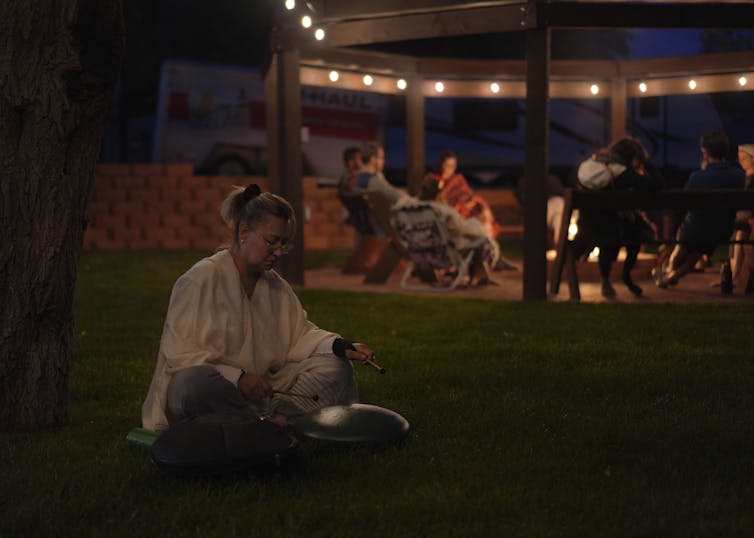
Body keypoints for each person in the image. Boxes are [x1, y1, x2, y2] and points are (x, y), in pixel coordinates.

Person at [141, 184, 375, 431]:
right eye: (271, 242)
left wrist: (341, 346)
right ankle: (268, 426)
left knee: (335, 366)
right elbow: (180, 355)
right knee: (192, 384)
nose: (278, 252)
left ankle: (270, 422)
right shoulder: (200, 280)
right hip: (219, 391)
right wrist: (238, 378)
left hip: (265, 393)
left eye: (283, 244)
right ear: (244, 232)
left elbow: (300, 336)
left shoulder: (276, 286)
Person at [653, 131, 746, 289]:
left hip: (693, 229)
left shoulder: (698, 177)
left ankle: (668, 271)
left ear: (705, 152)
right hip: (721, 229)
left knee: (683, 241)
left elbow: (685, 203)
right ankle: (671, 277)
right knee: (697, 252)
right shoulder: (739, 176)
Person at [573, 137, 663, 298]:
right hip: (611, 230)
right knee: (637, 231)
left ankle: (602, 274)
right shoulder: (623, 173)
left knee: (612, 229)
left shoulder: (587, 167)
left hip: (586, 228)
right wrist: (647, 161)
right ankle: (625, 276)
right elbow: (657, 184)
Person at [420, 150, 517, 271]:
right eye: (448, 165)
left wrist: (471, 204)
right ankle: (492, 259)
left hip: (461, 217)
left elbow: (465, 196)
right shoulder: (433, 181)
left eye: (453, 166)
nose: (451, 169)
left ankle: (491, 259)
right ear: (441, 165)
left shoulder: (456, 181)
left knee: (483, 217)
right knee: (480, 229)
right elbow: (436, 203)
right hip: (450, 225)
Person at [728, 143, 754, 290]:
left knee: (739, 231)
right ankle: (733, 275)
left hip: (748, 219)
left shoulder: (749, 179)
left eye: (744, 158)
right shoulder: (744, 178)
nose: (741, 161)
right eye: (740, 158)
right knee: (737, 231)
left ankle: (734, 276)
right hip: (745, 218)